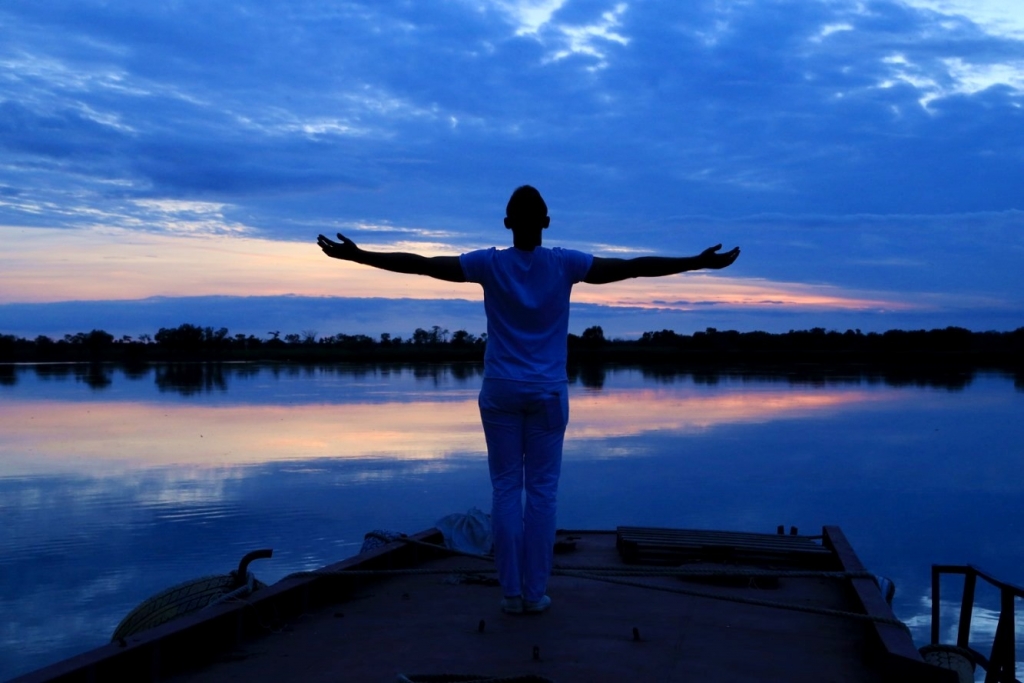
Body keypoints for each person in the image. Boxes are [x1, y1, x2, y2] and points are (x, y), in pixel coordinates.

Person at [317, 185, 740, 615]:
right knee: (542, 493)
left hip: (501, 389)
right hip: (547, 392)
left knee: (505, 489)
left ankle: (511, 595)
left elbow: (423, 265)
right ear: (547, 223)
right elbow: (631, 268)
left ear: (506, 224)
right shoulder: (565, 263)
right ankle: (534, 594)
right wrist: (696, 262)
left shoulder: (489, 263)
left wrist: (360, 256)